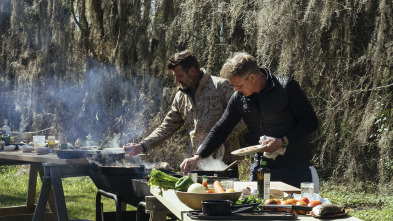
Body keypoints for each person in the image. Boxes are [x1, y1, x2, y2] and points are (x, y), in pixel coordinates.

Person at [180, 52, 318, 188]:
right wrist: (198, 157)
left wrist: (283, 141)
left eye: (239, 85)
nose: (236, 90)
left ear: (252, 77)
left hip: (295, 168)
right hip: (261, 167)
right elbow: (221, 129)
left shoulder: (286, 88)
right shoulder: (239, 98)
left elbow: (310, 122)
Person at [123, 50, 244, 170]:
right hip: (197, 166)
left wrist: (216, 140)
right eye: (175, 76)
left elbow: (242, 119)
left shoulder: (222, 87)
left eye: (179, 76)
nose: (176, 80)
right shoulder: (180, 97)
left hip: (226, 165)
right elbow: (167, 127)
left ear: (192, 71)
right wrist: (142, 146)